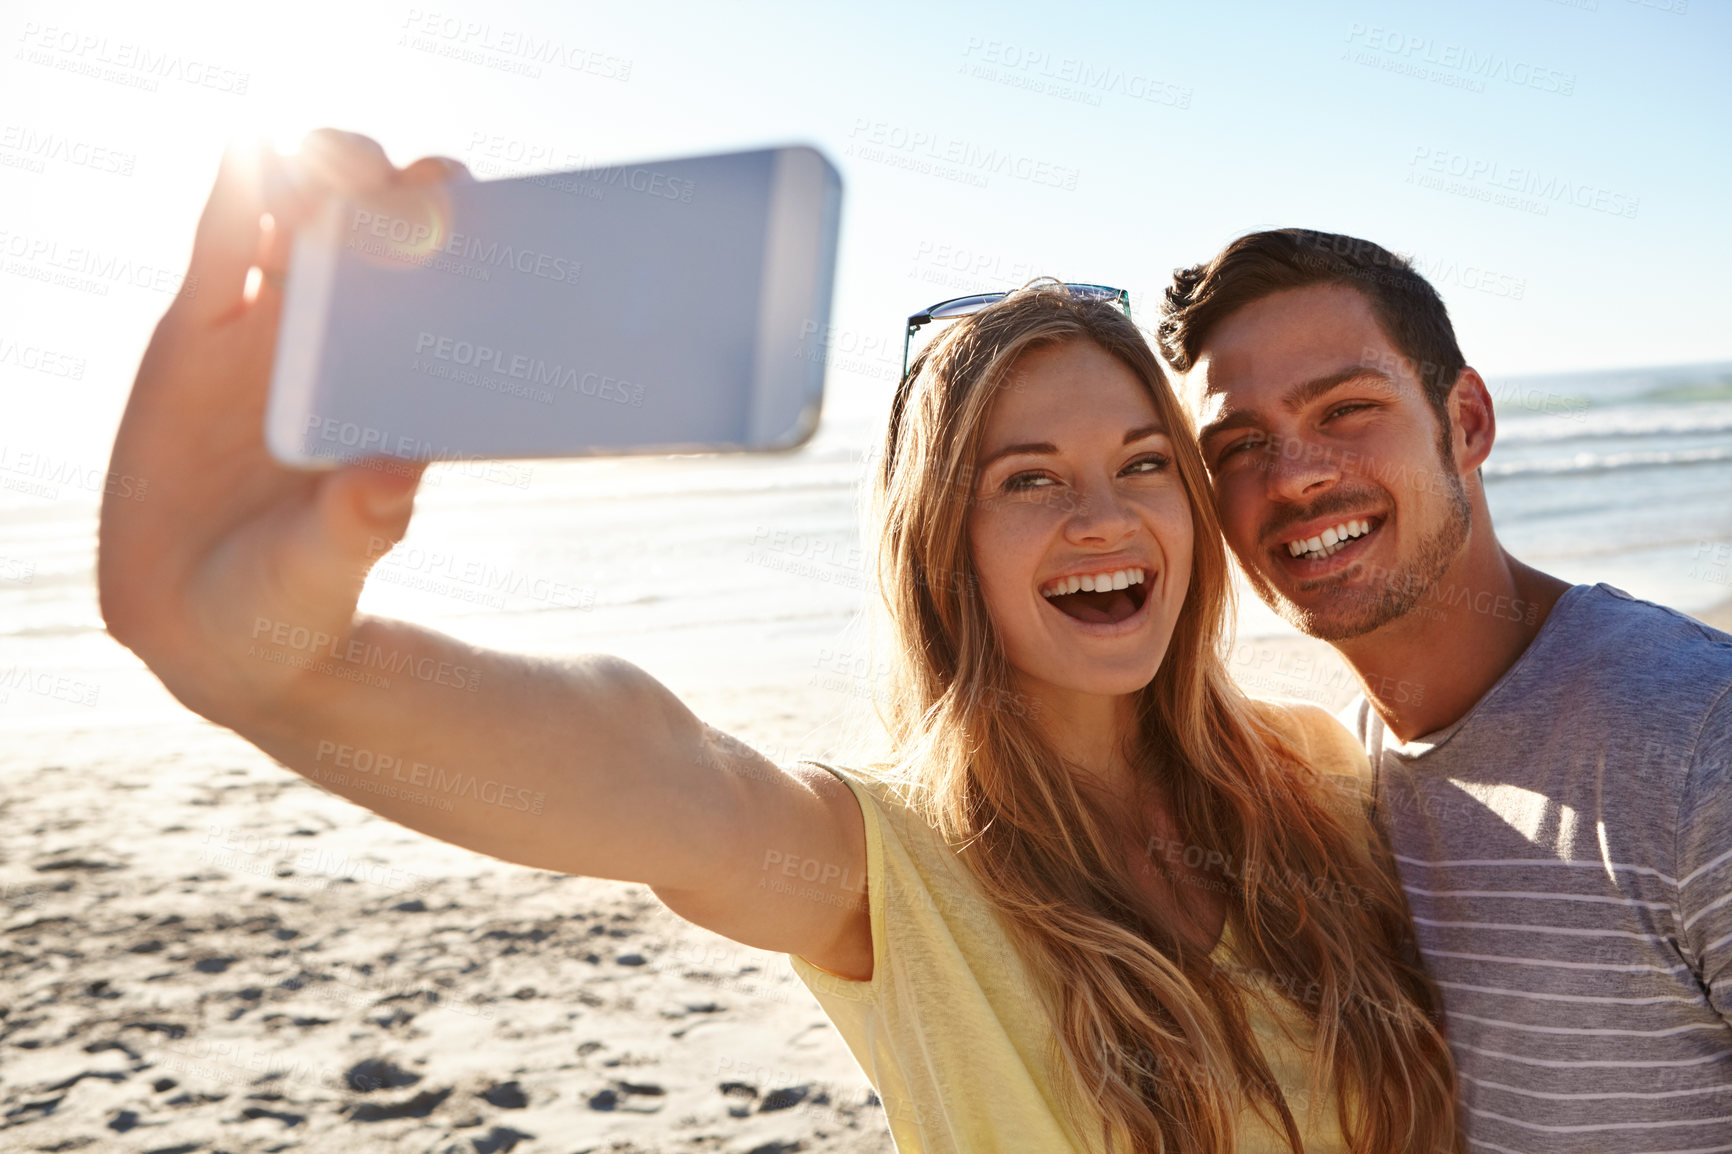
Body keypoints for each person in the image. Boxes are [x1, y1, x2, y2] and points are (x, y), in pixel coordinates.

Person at [98, 134, 1457, 1153]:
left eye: (1144, 461)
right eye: (1027, 479)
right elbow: (654, 769)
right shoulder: (896, 871)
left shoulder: (1328, 778)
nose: (1100, 515)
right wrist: (262, 656)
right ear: (946, 547)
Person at [1157, 227, 1732, 1150]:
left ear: (1465, 421)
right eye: (1238, 446)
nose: (1295, 476)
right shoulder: (1337, 789)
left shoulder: (1698, 744)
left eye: (1344, 409)